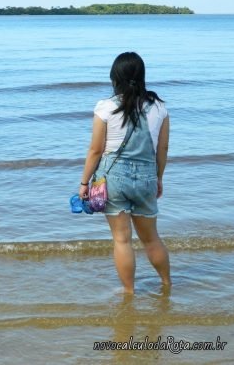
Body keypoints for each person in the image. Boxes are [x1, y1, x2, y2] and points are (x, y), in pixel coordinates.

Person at [79, 52, 171, 294]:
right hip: (147, 177)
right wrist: (159, 177)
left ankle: (129, 293)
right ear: (141, 76)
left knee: (121, 239)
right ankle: (167, 285)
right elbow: (162, 148)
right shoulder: (159, 108)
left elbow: (96, 150)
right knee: (151, 238)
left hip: (113, 179)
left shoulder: (106, 107)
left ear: (115, 77)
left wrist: (83, 183)